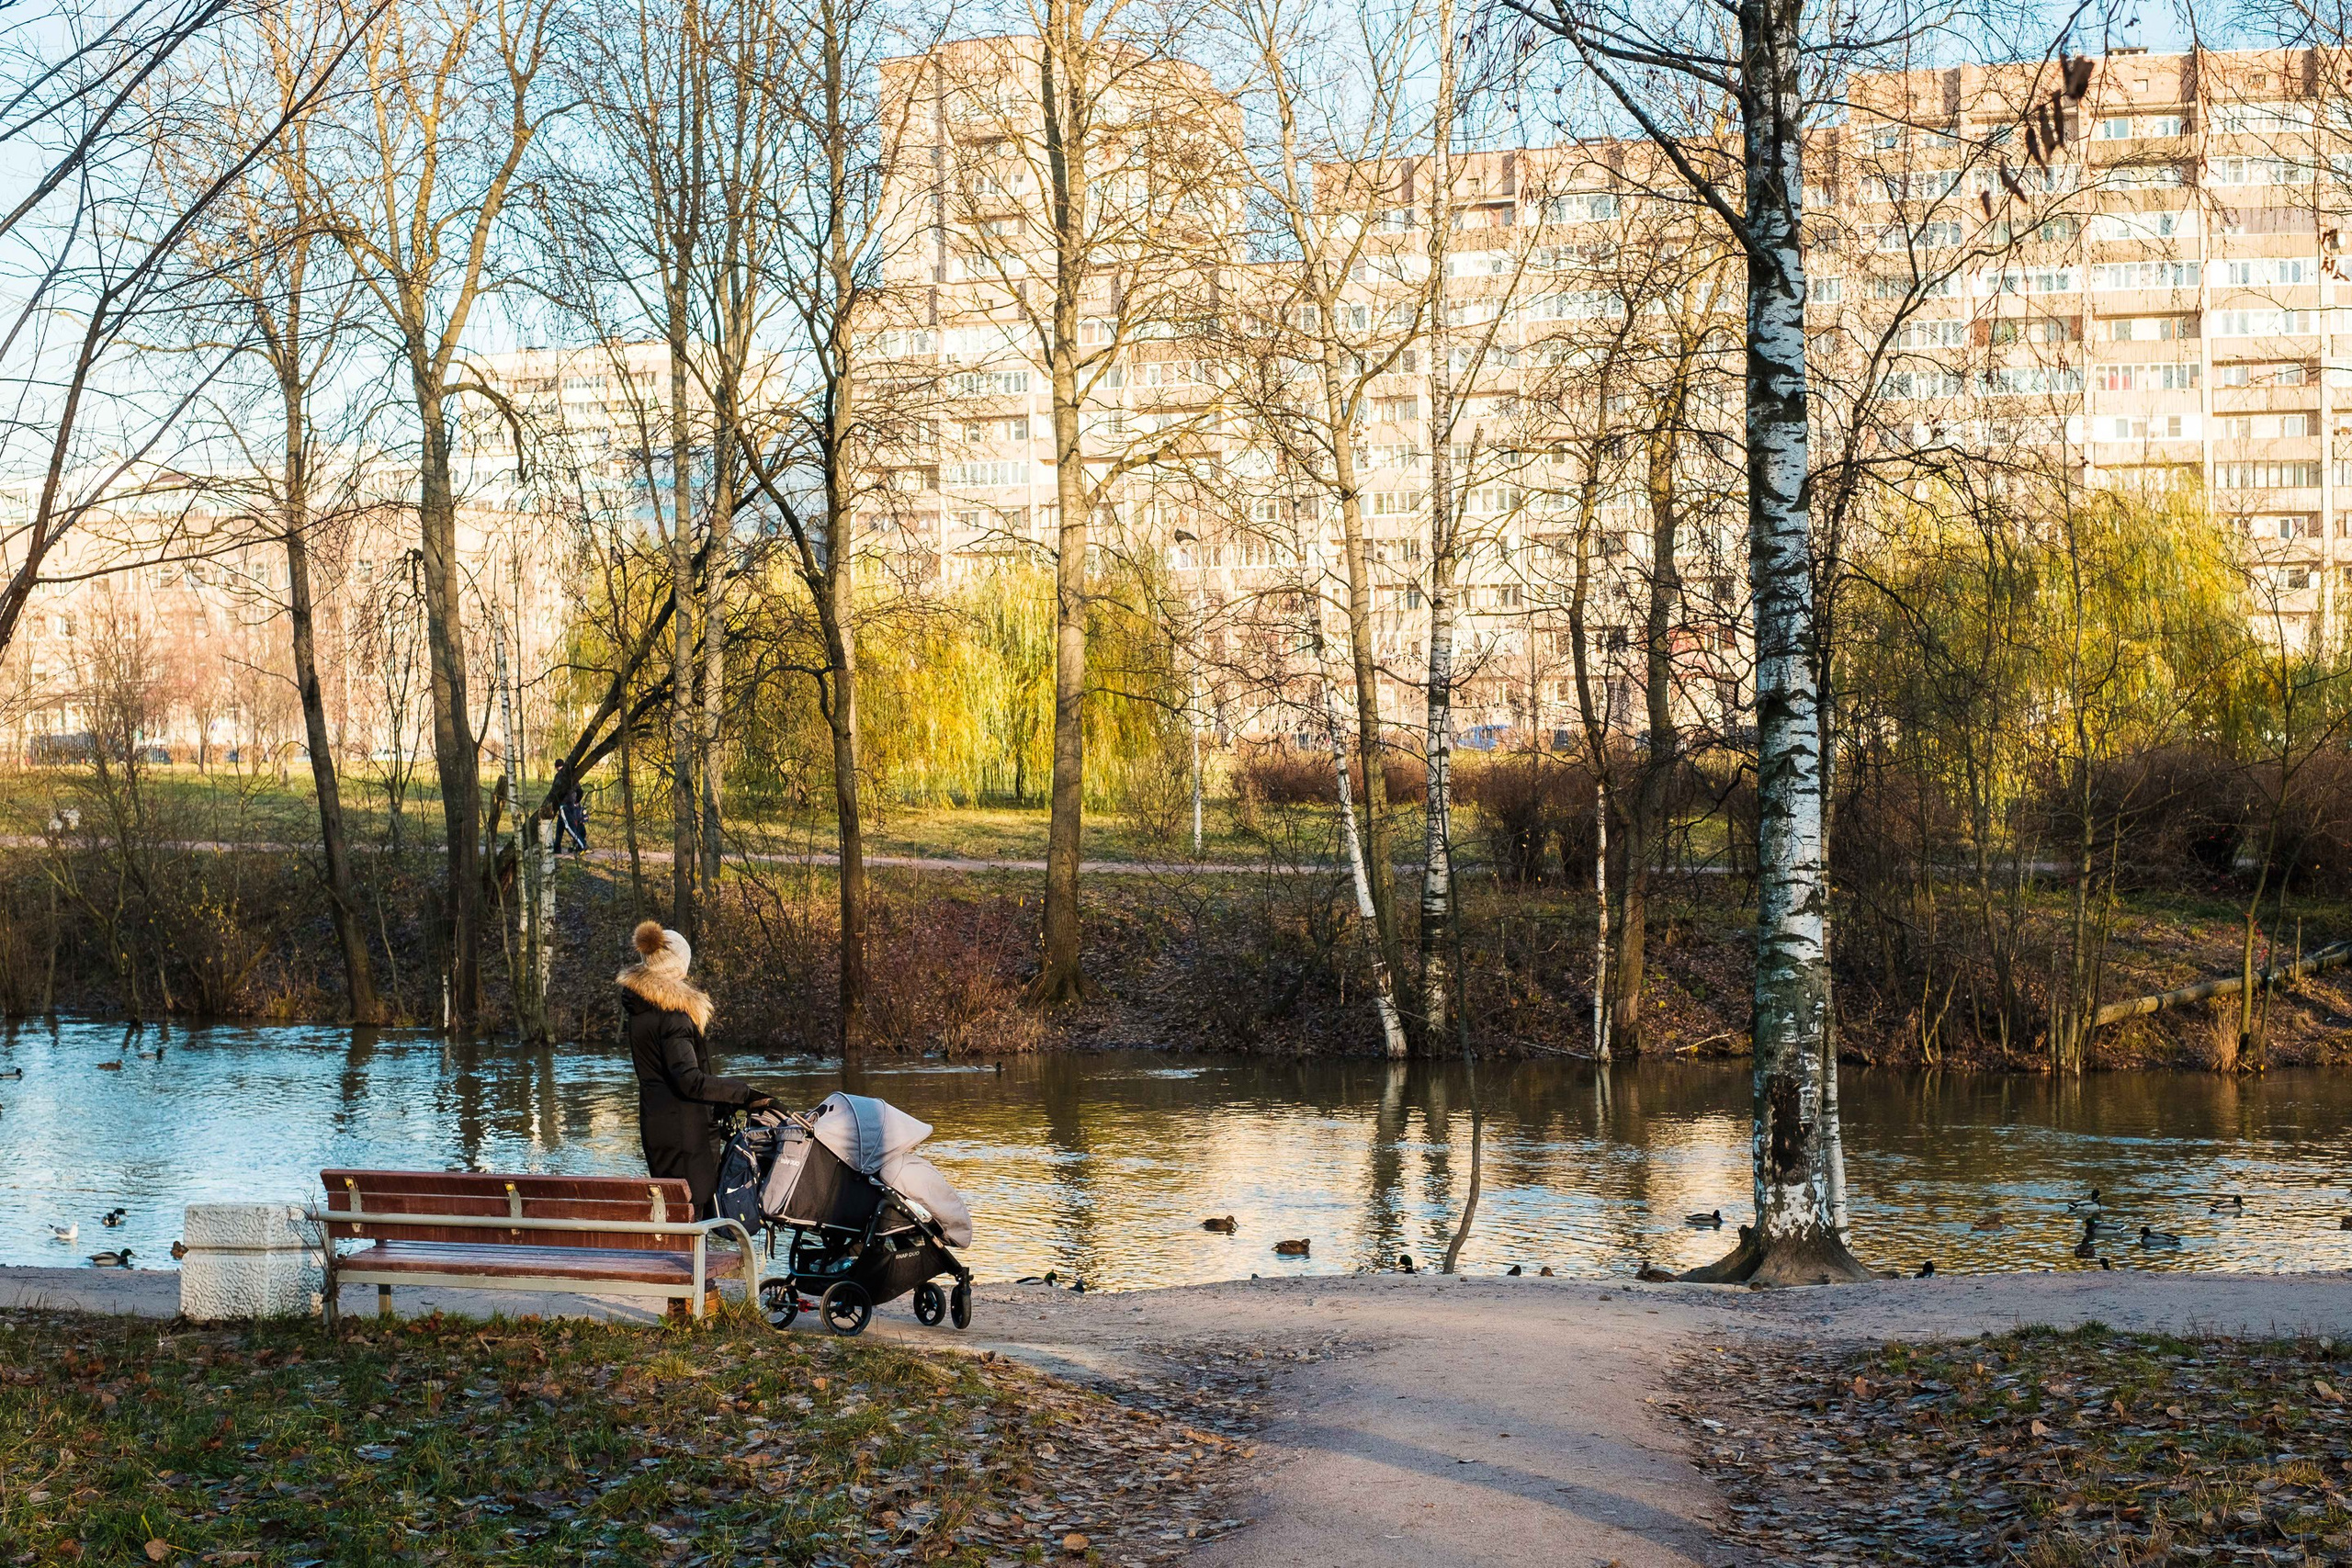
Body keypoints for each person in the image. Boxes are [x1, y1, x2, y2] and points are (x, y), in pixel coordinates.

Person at [618, 919, 770, 1216]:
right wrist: (743, 1093)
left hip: (657, 1124)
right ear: (677, 967)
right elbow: (688, 1080)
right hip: (685, 1135)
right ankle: (691, 1264)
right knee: (692, 1217)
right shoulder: (673, 1013)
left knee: (674, 1213)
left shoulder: (642, 1007)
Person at [557, 781, 588, 853]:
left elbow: (557, 793)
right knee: (560, 826)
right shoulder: (573, 776)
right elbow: (580, 791)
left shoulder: (563, 778)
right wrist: (576, 801)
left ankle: (582, 845)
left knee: (570, 827)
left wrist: (576, 801)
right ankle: (557, 847)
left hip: (564, 805)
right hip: (569, 805)